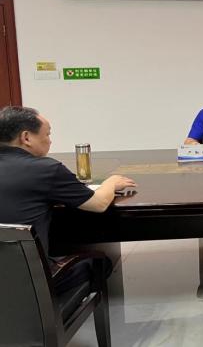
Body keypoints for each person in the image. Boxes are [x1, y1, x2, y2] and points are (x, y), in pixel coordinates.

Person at [0, 106, 136, 292]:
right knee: (101, 262)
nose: (50, 141)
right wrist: (111, 183)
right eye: (47, 134)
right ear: (26, 137)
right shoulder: (45, 169)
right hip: (29, 284)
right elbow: (98, 204)